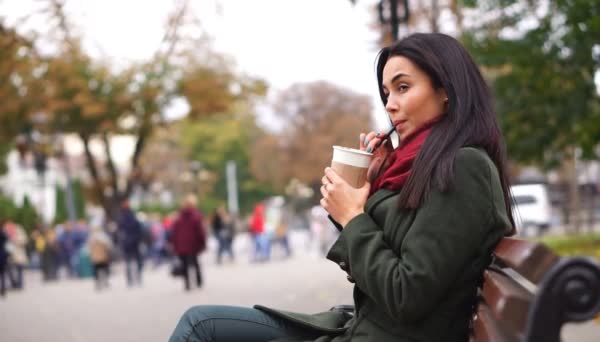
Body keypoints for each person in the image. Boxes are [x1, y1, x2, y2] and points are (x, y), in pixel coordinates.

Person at [169, 33, 515, 342]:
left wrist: (352, 216)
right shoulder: (420, 166)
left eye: (403, 87)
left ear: (446, 91)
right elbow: (379, 266)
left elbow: (405, 294)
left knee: (202, 328)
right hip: (359, 328)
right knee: (201, 322)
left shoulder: (463, 166)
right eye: (386, 92)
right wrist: (369, 186)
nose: (390, 104)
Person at [170, 194, 207, 291]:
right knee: (195, 263)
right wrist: (203, 243)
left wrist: (174, 244)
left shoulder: (178, 217)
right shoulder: (196, 216)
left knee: (185, 264)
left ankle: (187, 284)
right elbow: (200, 232)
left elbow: (174, 232)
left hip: (181, 245)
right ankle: (198, 282)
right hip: (193, 244)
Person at [118, 200, 144, 287]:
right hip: (135, 243)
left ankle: (130, 281)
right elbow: (139, 230)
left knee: (128, 262)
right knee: (138, 261)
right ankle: (139, 278)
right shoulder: (133, 217)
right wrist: (139, 240)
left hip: (126, 244)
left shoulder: (121, 218)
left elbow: (119, 232)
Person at [87, 225, 113, 290]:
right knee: (104, 269)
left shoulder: (91, 238)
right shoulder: (103, 237)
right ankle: (104, 281)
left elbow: (88, 248)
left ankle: (99, 282)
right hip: (102, 256)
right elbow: (109, 245)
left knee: (97, 270)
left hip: (96, 257)